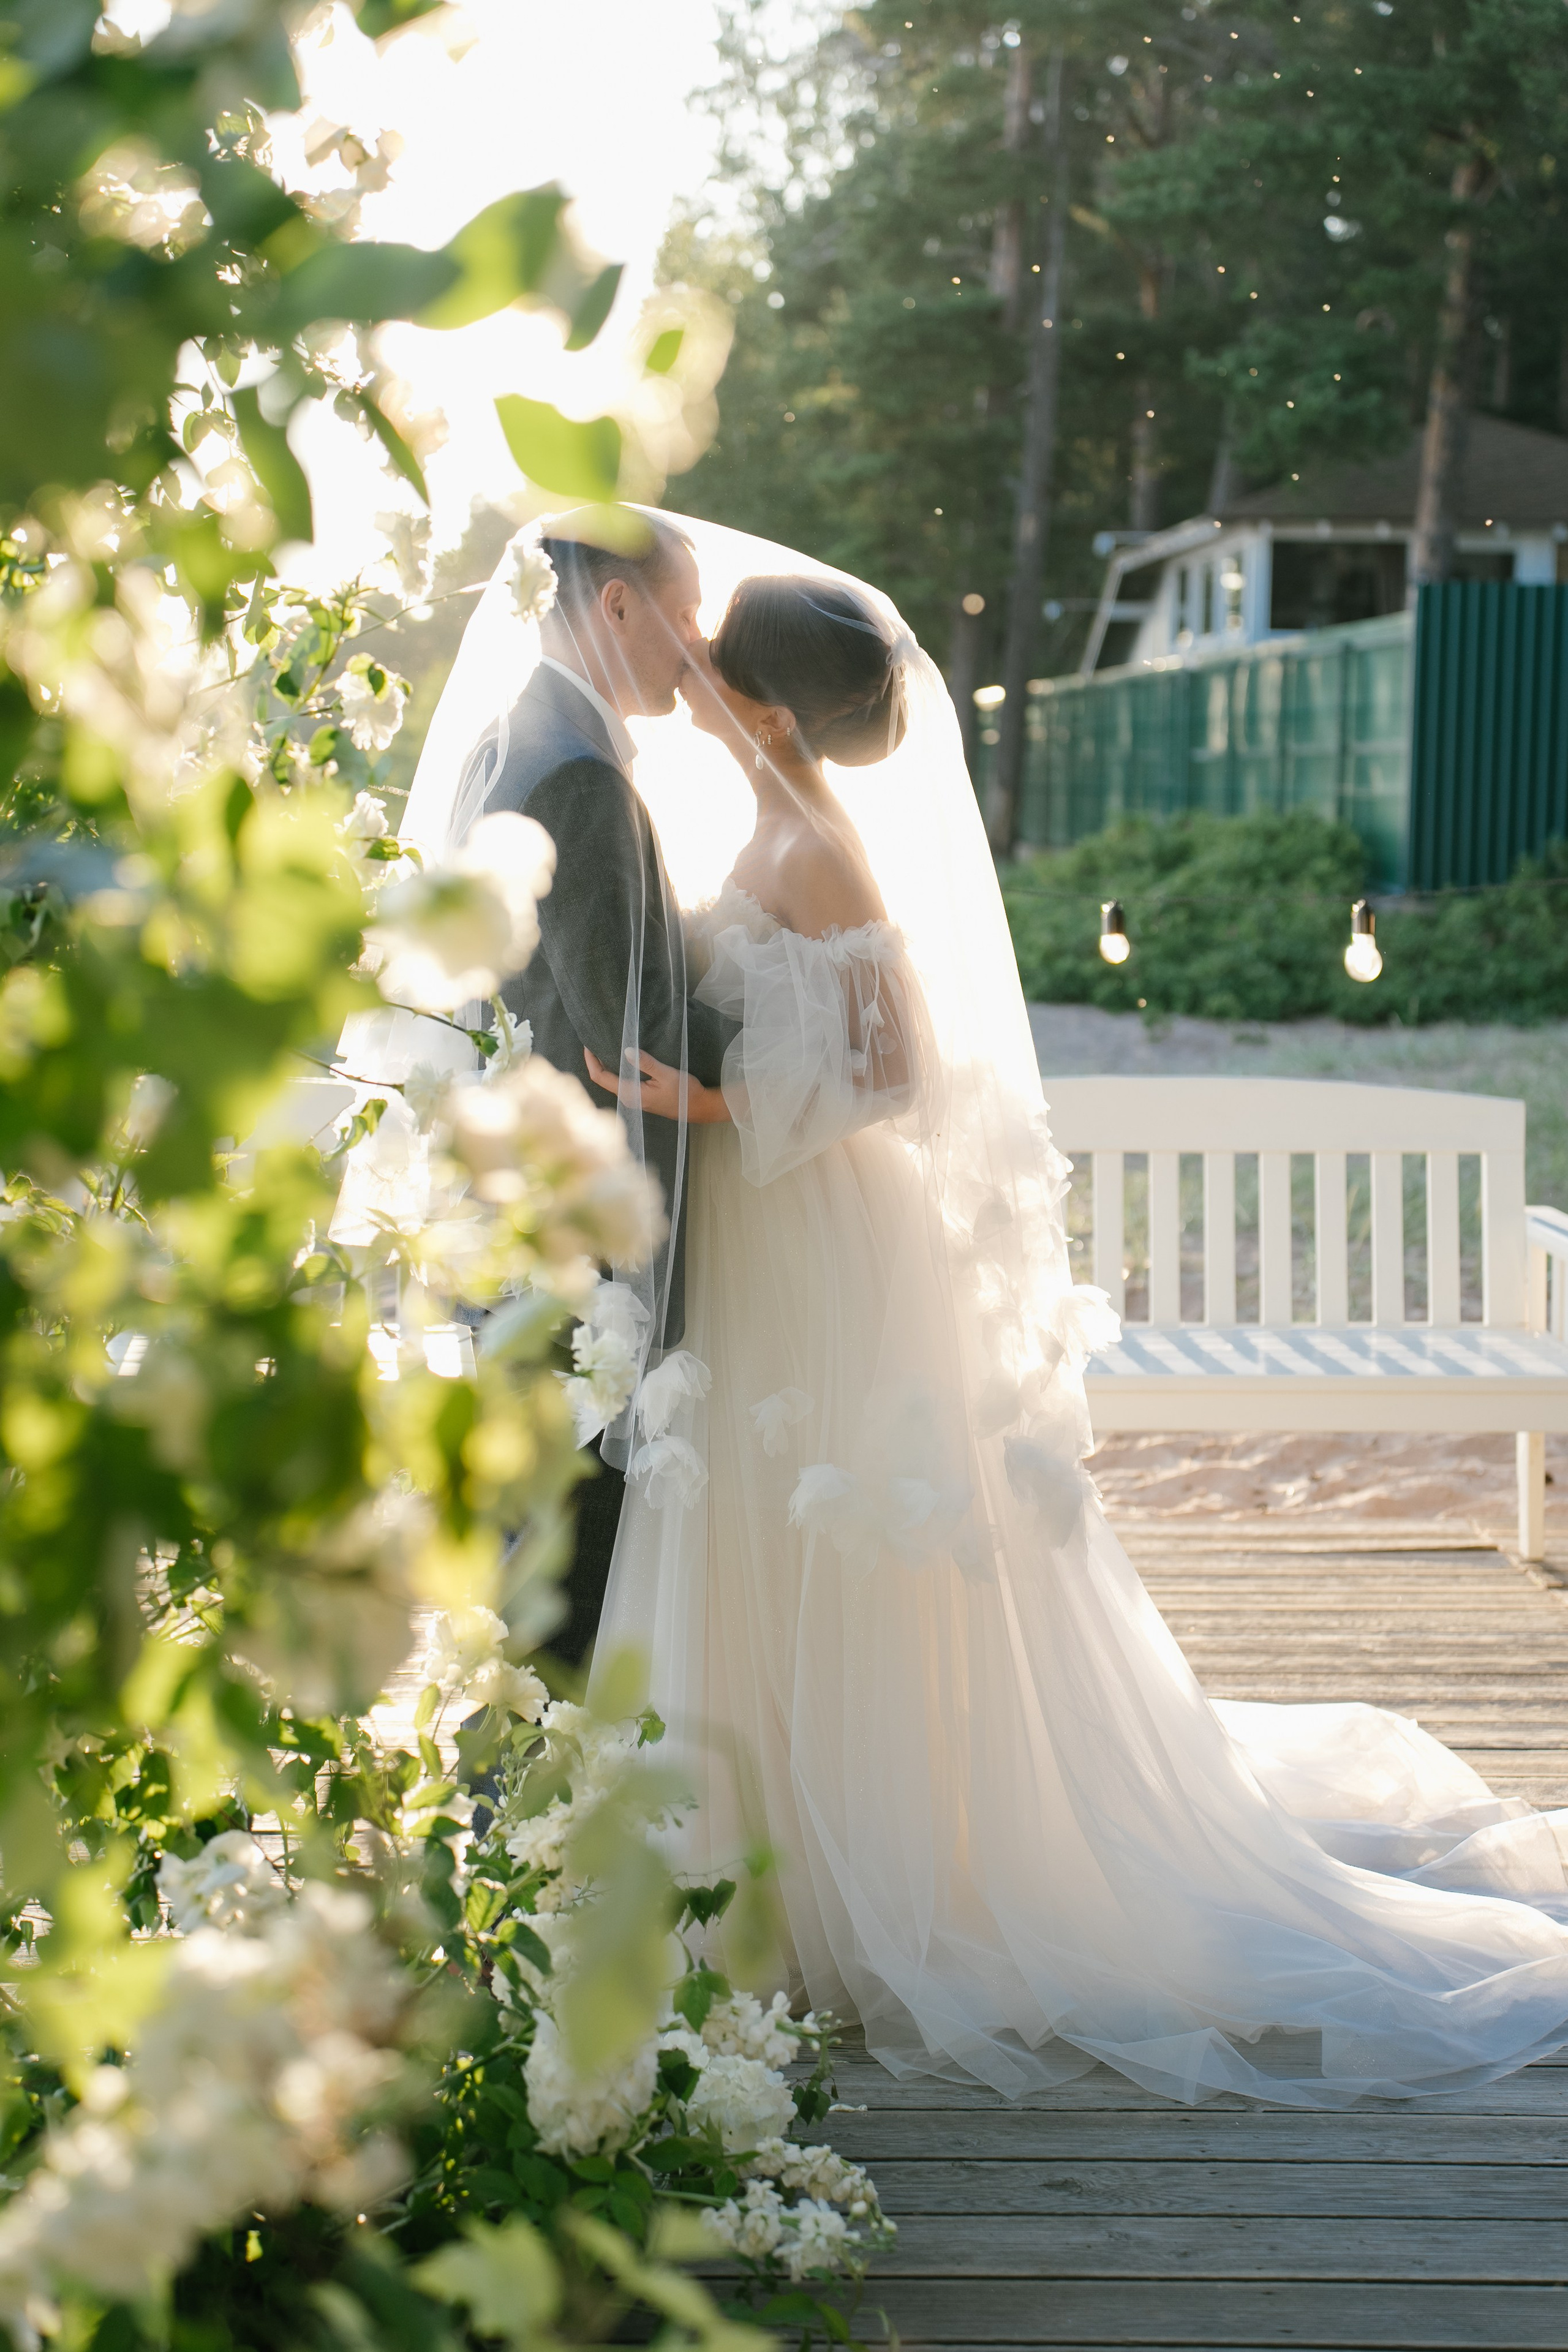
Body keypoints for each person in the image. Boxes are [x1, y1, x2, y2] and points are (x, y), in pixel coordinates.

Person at [418, 512, 1568, 2109]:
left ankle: (833, 1874)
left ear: (765, 708)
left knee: (822, 1549)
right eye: (679, 644)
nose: (688, 678)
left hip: (803, 1225)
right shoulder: (734, 812)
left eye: (709, 659)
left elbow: (900, 1069)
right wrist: (709, 1082)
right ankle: (759, 1862)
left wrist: (729, 1103)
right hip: (752, 1237)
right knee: (760, 1543)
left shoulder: (814, 842)